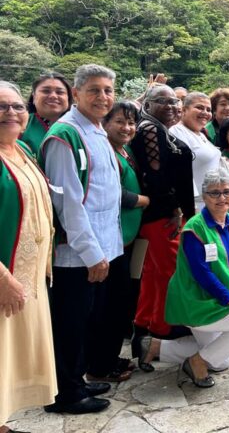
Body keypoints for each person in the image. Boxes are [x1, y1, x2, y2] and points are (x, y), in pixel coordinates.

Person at [40, 65, 123, 414]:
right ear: (76, 94)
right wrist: (92, 254)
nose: (102, 97)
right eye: (94, 90)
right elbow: (69, 204)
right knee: (70, 324)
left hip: (103, 245)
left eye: (107, 90)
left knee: (87, 320)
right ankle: (67, 393)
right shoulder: (65, 136)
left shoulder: (96, 131)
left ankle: (78, 380)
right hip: (75, 254)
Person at [138, 169, 229, 388]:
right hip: (197, 301)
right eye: (214, 193)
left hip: (218, 299)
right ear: (204, 196)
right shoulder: (194, 228)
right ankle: (196, 362)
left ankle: (157, 347)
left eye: (227, 192)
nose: (221, 198)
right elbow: (202, 274)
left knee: (220, 361)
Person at [0, 81, 58, 429]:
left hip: (30, 274)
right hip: (6, 276)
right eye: (1, 107)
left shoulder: (21, 149)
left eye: (16, 106)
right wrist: (3, 277)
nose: (10, 113)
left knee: (11, 355)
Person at [129, 85, 195, 349]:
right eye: (162, 101)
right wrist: (175, 208)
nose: (170, 106)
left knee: (155, 273)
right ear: (147, 103)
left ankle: (148, 324)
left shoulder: (157, 128)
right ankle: (166, 325)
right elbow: (154, 175)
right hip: (161, 215)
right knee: (170, 269)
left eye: (173, 102)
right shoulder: (150, 128)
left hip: (162, 213)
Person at [104, 101, 148, 360]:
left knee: (123, 298)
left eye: (131, 122)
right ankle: (103, 363)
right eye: (120, 121)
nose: (127, 127)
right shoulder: (106, 151)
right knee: (112, 301)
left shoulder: (125, 150)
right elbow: (110, 193)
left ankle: (111, 357)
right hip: (114, 238)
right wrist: (144, 200)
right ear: (105, 123)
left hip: (129, 237)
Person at [170, 92, 221, 212]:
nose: (205, 112)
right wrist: (188, 208)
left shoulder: (201, 135)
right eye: (199, 107)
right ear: (184, 110)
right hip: (194, 206)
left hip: (212, 203)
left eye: (208, 109)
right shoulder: (176, 133)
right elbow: (178, 172)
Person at [21, 72, 72, 153]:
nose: (53, 96)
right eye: (46, 91)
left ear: (68, 98)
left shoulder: (79, 125)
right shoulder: (21, 123)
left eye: (60, 92)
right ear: (34, 97)